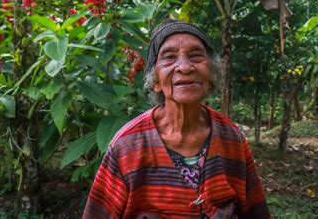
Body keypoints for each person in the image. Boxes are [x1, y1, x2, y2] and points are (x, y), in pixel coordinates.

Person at [83, 19, 270, 218]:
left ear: (211, 73)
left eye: (196, 55)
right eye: (169, 57)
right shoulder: (127, 146)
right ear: (156, 80)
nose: (185, 67)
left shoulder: (232, 138)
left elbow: (255, 211)